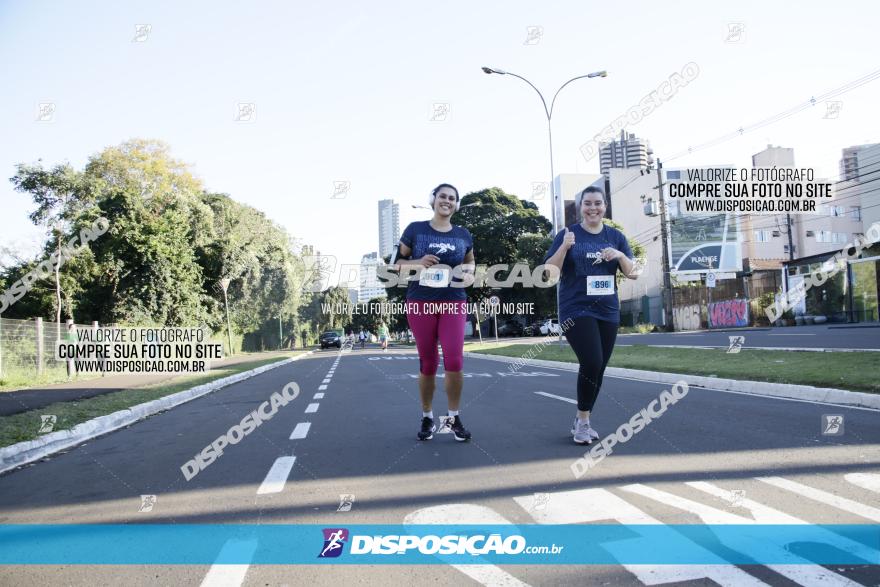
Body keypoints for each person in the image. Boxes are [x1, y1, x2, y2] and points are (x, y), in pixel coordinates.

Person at [543, 185, 641, 445]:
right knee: (592, 361)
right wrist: (563, 247)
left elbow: (634, 272)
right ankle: (583, 422)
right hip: (576, 308)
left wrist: (620, 255)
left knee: (599, 368)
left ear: (604, 207)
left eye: (598, 203)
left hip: (608, 310)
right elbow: (549, 273)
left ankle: (582, 418)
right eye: (587, 203)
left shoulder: (616, 236)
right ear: (580, 208)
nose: (593, 208)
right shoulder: (568, 234)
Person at [395, 183, 475, 442]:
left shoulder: (463, 234)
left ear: (456, 204)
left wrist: (469, 272)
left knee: (454, 360)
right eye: (443, 196)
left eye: (452, 198)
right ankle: (428, 416)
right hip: (420, 302)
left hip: (453, 301)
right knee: (429, 362)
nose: (447, 201)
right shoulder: (415, 230)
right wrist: (418, 263)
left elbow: (470, 261)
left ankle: (453, 417)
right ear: (433, 200)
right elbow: (396, 265)